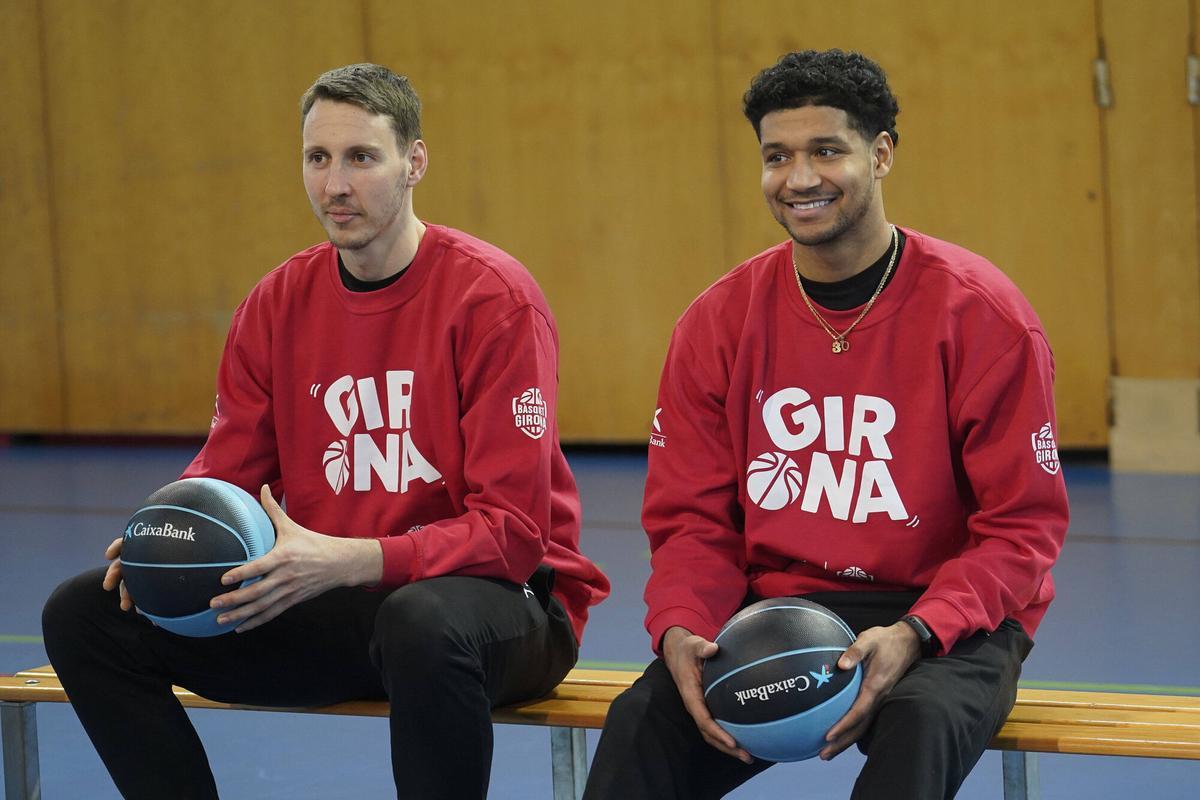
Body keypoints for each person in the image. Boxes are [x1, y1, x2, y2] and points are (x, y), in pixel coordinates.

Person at [42, 63, 610, 800]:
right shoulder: (278, 301)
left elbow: (512, 535)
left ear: (415, 162)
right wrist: (164, 536)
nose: (335, 185)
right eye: (318, 158)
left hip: (502, 612)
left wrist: (351, 558)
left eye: (361, 158)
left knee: (422, 622)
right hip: (326, 600)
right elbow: (224, 476)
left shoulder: (492, 298)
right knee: (86, 613)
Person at [583, 49, 1069, 799]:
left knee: (920, 725)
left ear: (881, 154)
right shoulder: (718, 322)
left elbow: (1021, 529)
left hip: (943, 613)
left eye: (826, 151)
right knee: (641, 727)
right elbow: (692, 522)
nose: (799, 178)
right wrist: (680, 626)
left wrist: (919, 630)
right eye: (777, 156)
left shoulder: (981, 316)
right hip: (781, 605)